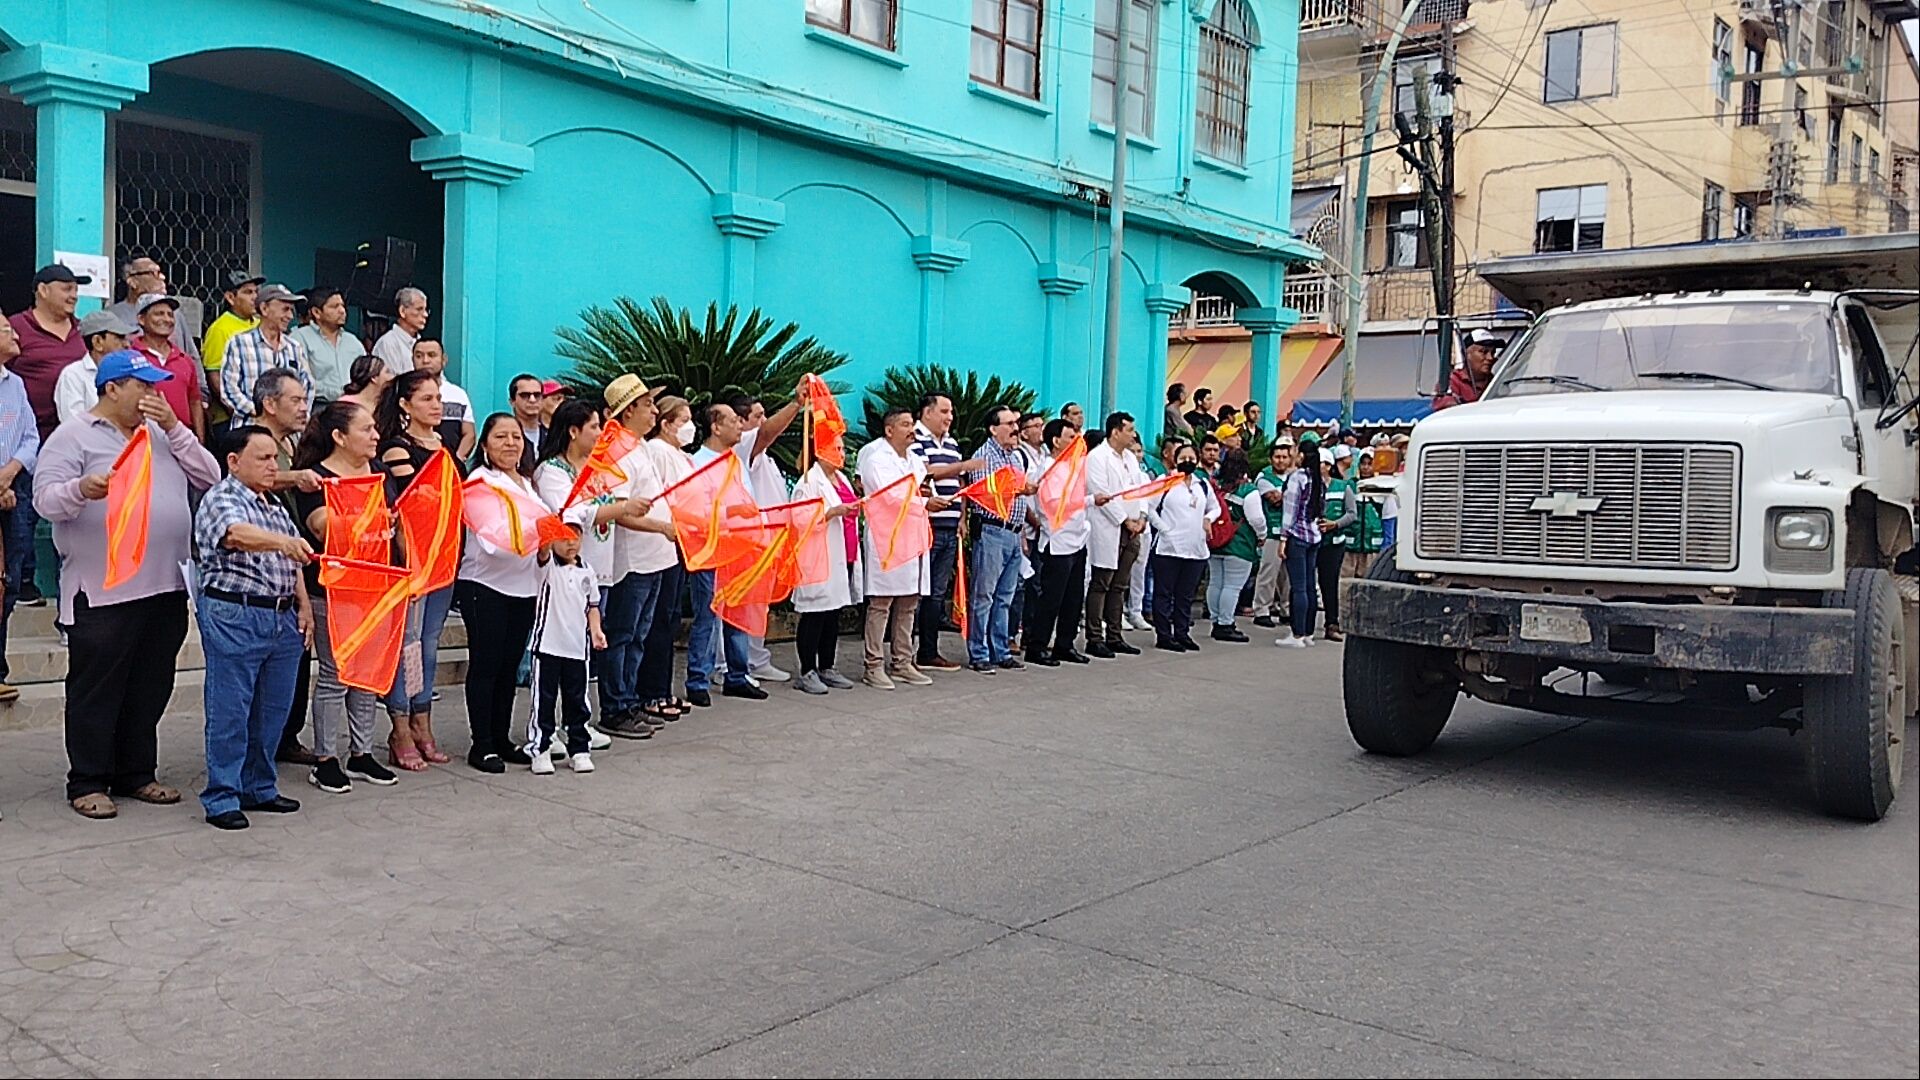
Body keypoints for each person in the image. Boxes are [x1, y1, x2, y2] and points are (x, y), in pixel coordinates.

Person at [34, 349, 219, 819]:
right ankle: (89, 779)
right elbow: (45, 501)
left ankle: (136, 772)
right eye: (144, 387)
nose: (153, 396)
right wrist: (82, 489)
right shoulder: (72, 437)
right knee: (97, 687)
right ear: (112, 388)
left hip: (164, 584)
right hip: (102, 589)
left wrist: (177, 427)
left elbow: (211, 476)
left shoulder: (160, 434)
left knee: (150, 684)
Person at [193, 426, 314, 830]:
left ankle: (259, 785)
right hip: (236, 614)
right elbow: (236, 536)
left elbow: (294, 558)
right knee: (231, 708)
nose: (272, 466)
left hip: (281, 617)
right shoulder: (222, 498)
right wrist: (282, 545)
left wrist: (303, 606)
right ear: (233, 461)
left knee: (273, 710)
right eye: (262, 458)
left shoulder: (274, 505)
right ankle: (222, 794)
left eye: (275, 458)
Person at [293, 400, 404, 792]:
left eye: (375, 428)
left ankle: (361, 753)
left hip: (376, 587)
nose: (376, 435)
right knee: (334, 676)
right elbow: (320, 527)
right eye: (366, 429)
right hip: (332, 589)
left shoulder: (381, 472)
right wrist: (372, 517)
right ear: (339, 437)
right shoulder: (318, 478)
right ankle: (325, 758)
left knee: (367, 676)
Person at [531, 399, 630, 752]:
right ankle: (548, 728)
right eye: (593, 427)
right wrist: (620, 508)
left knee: (584, 653)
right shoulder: (550, 472)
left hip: (596, 569)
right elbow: (572, 512)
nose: (601, 434)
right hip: (563, 573)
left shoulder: (596, 468)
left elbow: (612, 505)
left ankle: (578, 723)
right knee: (558, 655)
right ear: (573, 432)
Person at [375, 371, 457, 767]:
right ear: (405, 406)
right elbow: (416, 501)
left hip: (444, 556)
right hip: (412, 560)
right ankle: (401, 724)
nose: (436, 404)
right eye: (426, 398)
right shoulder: (396, 447)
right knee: (409, 644)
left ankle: (424, 720)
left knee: (430, 642)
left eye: (438, 397)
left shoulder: (446, 445)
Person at [459, 414, 545, 772]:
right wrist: (542, 534)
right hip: (485, 585)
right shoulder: (479, 483)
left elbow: (538, 533)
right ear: (485, 445)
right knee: (486, 664)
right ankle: (482, 744)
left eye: (516, 437)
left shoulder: (527, 483)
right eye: (501, 437)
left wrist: (547, 541)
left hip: (524, 586)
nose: (510, 443)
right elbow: (496, 539)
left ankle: (502, 736)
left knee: (509, 667)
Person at [597, 374, 681, 730]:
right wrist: (662, 527)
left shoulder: (641, 446)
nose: (653, 411)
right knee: (623, 635)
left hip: (656, 558)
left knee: (639, 636)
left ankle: (631, 700)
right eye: (647, 404)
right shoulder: (617, 452)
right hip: (634, 561)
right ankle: (615, 707)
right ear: (628, 410)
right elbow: (622, 511)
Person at [250, 367, 322, 767]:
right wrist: (295, 477)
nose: (302, 407)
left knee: (298, 655)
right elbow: (249, 481)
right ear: (269, 403)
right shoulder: (248, 440)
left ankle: (286, 735)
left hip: (296, 565)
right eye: (294, 400)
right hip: (262, 569)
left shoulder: (293, 443)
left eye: (303, 399)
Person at [686, 401, 768, 705]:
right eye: (733, 420)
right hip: (711, 547)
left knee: (738, 611)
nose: (739, 425)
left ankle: (737, 674)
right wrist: (734, 511)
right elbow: (697, 509)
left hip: (740, 547)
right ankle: (698, 678)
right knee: (708, 614)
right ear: (715, 427)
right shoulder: (698, 463)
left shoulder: (736, 460)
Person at [726, 389, 803, 684]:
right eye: (757, 416)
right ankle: (736, 663)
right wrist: (796, 403)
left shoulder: (766, 459)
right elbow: (765, 435)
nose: (765, 421)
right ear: (741, 422)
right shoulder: (744, 448)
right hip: (749, 542)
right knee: (744, 604)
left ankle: (755, 658)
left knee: (759, 603)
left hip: (770, 544)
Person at [857, 405, 935, 690]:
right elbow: (888, 496)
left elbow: (921, 488)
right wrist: (926, 503)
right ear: (889, 430)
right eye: (905, 424)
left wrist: (926, 499)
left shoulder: (914, 459)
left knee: (909, 601)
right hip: (886, 537)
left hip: (913, 534)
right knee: (881, 602)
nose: (911, 429)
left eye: (911, 423)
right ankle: (873, 665)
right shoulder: (875, 455)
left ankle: (903, 661)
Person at [523, 522, 604, 774]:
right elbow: (542, 555)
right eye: (564, 537)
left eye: (576, 537)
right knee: (544, 700)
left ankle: (579, 748)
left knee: (578, 700)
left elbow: (592, 606)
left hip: (577, 648)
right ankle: (541, 748)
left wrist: (596, 631)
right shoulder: (548, 567)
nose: (571, 543)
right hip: (547, 645)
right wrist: (546, 541)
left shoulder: (587, 571)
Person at [908, 392, 980, 671]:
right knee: (916, 593)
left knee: (937, 593)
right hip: (927, 525)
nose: (950, 417)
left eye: (951, 412)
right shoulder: (916, 438)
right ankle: (906, 652)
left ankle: (928, 650)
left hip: (950, 526)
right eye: (944, 411)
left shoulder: (950, 442)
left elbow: (960, 483)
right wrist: (963, 466)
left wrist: (962, 517)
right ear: (927, 412)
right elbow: (924, 473)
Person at [635, 395, 695, 724]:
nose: (689, 427)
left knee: (669, 618)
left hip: (679, 540)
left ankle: (663, 686)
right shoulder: (658, 451)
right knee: (658, 620)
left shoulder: (680, 455)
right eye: (682, 420)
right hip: (660, 541)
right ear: (666, 423)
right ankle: (651, 691)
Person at [965, 405, 1033, 675]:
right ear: (993, 429)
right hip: (992, 531)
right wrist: (1020, 490)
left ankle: (1000, 650)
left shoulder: (1015, 457)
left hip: (1014, 532)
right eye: (1008, 424)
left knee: (1005, 596)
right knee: (984, 596)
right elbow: (986, 496)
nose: (1015, 428)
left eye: (1016, 423)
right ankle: (979, 652)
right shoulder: (984, 456)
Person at [788, 449, 863, 694]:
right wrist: (832, 512)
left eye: (842, 448)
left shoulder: (840, 478)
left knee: (833, 612)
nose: (842, 453)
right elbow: (799, 519)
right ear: (821, 452)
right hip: (817, 555)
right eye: (837, 448)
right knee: (814, 613)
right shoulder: (809, 481)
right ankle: (807, 670)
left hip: (840, 552)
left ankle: (827, 666)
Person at [1024, 419, 1090, 667]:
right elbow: (1053, 504)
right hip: (1058, 540)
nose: (1075, 443)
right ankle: (1038, 645)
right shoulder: (1047, 468)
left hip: (1077, 539)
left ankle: (1065, 643)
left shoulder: (1071, 467)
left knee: (1073, 597)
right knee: (1052, 598)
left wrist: (1089, 500)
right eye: (1070, 438)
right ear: (1056, 441)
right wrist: (1089, 502)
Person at [1083, 412, 1145, 659]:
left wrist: (1141, 516)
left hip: (1132, 527)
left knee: (1120, 585)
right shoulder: (1097, 457)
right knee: (1101, 582)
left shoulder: (1130, 457)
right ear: (1115, 431)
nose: (1133, 434)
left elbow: (1139, 489)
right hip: (1110, 526)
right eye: (1129, 429)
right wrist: (1124, 520)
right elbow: (1101, 493)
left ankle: (1115, 635)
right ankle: (1095, 637)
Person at [1145, 441, 1217, 653]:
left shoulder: (1201, 484)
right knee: (1164, 593)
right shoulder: (1165, 481)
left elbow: (1215, 508)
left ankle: (1182, 633)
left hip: (1196, 548)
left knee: (1185, 595)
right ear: (1175, 460)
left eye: (1191, 459)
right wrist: (1164, 528)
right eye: (1183, 458)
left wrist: (1208, 519)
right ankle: (1164, 635)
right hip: (1168, 548)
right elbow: (1149, 508)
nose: (1188, 462)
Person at [0, 319, 39, 701]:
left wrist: (9, 474)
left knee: (7, 585)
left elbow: (30, 438)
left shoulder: (16, 384)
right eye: (5, 330)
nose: (15, 335)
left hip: (12, 494)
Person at [220, 285, 314, 426]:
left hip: (287, 434)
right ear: (264, 309)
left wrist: (293, 415)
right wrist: (262, 414)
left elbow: (307, 386)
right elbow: (229, 391)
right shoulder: (239, 343)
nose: (290, 316)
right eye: (285, 309)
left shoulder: (294, 347)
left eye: (291, 310)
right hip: (250, 430)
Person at [1204, 449, 1266, 643]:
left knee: (1215, 582)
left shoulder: (1217, 486)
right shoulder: (1248, 490)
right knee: (1232, 586)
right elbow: (1256, 519)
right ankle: (1226, 623)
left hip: (1216, 542)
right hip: (1239, 544)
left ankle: (1216, 620)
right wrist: (1262, 536)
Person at [130, 294, 205, 444]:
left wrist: (200, 441)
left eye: (170, 315)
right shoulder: (130, 355)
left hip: (181, 439)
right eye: (159, 314)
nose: (167, 319)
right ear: (141, 319)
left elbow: (195, 402)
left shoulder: (185, 359)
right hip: (142, 439)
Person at [1276, 441, 1327, 648]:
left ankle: (1296, 634)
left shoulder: (1297, 478)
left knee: (1298, 587)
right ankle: (1308, 633)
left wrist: (1283, 538)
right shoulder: (1319, 480)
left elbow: (1290, 511)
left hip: (1297, 535)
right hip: (1314, 534)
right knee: (1309, 585)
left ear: (1302, 455)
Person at [201, 271, 265, 424]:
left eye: (256, 292)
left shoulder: (259, 324)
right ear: (230, 297)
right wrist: (234, 409)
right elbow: (214, 374)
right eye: (248, 292)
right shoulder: (220, 328)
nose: (255, 297)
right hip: (231, 417)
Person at [106, 256, 196, 364]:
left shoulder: (174, 314)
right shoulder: (112, 316)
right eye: (153, 273)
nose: (162, 277)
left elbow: (192, 356)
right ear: (132, 281)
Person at [53, 309, 134, 425]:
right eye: (119, 337)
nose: (127, 344)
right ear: (97, 342)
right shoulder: (73, 375)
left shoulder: (128, 373)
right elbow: (74, 425)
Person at [1317, 444, 1362, 642]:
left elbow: (1352, 514)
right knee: (1306, 585)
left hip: (1334, 542)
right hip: (1312, 541)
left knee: (1330, 583)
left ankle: (1332, 623)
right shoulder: (1308, 485)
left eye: (1322, 464)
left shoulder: (1343, 487)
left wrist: (1335, 524)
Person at [1251, 438, 1295, 629]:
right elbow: (1276, 500)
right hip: (1272, 532)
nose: (1280, 460)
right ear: (1271, 459)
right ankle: (1261, 610)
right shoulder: (1264, 479)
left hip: (1292, 532)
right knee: (1268, 573)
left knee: (1288, 576)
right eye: (1277, 457)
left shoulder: (1294, 477)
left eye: (1284, 457)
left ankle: (1286, 610)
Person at [292, 286, 362, 402]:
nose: (342, 311)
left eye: (342, 306)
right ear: (316, 312)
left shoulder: (353, 342)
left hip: (352, 407)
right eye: (334, 306)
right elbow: (297, 379)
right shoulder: (300, 338)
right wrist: (338, 393)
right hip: (317, 406)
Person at [412, 337, 475, 461]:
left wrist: (457, 459)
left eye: (431, 355)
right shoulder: (403, 392)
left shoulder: (458, 394)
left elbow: (469, 434)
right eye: (419, 356)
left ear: (444, 360)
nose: (425, 361)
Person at [1435, 329, 1505, 410]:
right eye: (1483, 352)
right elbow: (1446, 410)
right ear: (1466, 354)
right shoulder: (1451, 381)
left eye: (1493, 353)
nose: (1490, 358)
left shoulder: (1497, 382)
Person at [373, 287, 429, 375]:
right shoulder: (388, 343)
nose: (425, 315)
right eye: (419, 309)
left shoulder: (422, 343)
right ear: (402, 311)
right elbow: (393, 382)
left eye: (426, 310)